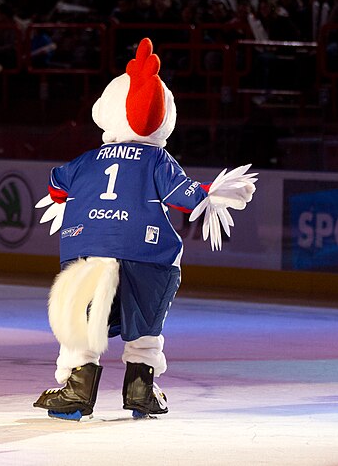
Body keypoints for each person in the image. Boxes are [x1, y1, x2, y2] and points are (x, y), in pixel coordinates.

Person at [33, 38, 257, 420]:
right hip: (146, 255)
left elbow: (56, 185)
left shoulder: (87, 160)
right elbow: (187, 199)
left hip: (87, 248)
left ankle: (77, 388)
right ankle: (141, 388)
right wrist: (214, 193)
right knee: (145, 326)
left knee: (83, 320)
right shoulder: (158, 159)